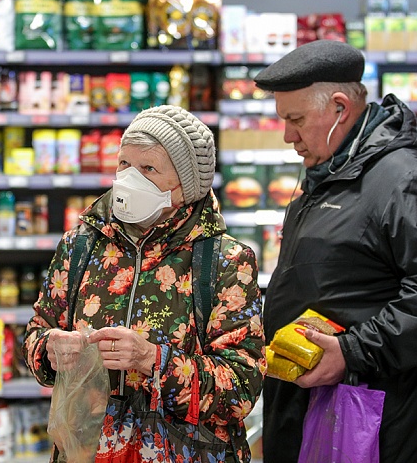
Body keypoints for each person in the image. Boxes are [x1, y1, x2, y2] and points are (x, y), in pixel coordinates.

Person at [254, 39, 417, 462]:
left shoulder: (406, 178)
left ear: (340, 107)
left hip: (373, 416)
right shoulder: (333, 168)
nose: (288, 136)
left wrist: (353, 352)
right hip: (319, 406)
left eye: (296, 120)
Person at [22, 105, 267, 462]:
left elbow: (242, 387)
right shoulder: (80, 245)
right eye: (124, 164)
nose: (128, 179)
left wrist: (152, 359)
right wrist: (49, 350)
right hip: (87, 451)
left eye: (148, 168)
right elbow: (36, 333)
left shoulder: (226, 261)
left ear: (184, 185)